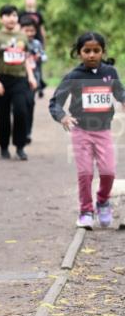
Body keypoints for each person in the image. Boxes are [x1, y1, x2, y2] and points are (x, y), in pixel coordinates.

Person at [49, 32, 124, 229]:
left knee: (108, 172)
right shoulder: (74, 76)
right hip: (81, 131)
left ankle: (102, 201)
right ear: (79, 52)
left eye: (96, 51)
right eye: (87, 51)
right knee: (85, 173)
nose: (92, 55)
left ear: (103, 52)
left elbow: (120, 92)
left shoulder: (110, 73)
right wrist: (62, 116)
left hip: (104, 131)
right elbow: (55, 102)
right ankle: (86, 210)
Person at [0, 5, 36, 160]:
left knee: (21, 111)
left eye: (14, 15)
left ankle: (20, 147)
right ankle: (4, 146)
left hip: (20, 80)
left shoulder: (22, 37)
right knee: (3, 115)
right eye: (7, 15)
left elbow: (26, 58)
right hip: (2, 80)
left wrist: (31, 76)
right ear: (1, 18)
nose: (11, 18)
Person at [18, 15, 45, 143]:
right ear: (20, 29)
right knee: (20, 107)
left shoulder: (37, 43)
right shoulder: (17, 42)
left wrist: (39, 56)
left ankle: (28, 132)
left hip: (34, 78)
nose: (29, 33)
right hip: (19, 77)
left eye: (32, 31)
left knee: (30, 104)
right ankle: (20, 131)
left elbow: (44, 57)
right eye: (26, 30)